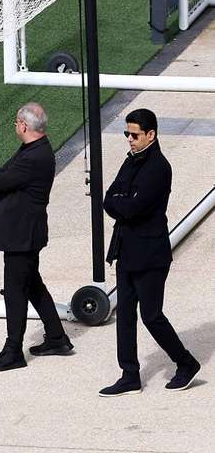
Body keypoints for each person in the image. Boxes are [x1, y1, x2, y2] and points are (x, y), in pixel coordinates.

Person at [99, 108, 199, 396]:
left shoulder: (158, 167)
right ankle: (129, 374)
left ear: (151, 134)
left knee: (152, 315)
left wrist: (123, 202)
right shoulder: (131, 161)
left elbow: (132, 207)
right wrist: (122, 202)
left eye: (134, 135)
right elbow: (110, 199)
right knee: (127, 315)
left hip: (150, 255)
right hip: (127, 250)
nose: (129, 139)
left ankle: (186, 362)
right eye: (127, 134)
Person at [0, 102, 73, 372]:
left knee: (15, 291)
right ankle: (57, 337)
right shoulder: (34, 150)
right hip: (25, 233)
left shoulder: (33, 157)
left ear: (23, 125)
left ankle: (13, 351)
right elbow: (5, 175)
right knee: (32, 283)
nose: (15, 126)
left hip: (22, 236)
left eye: (16, 122)